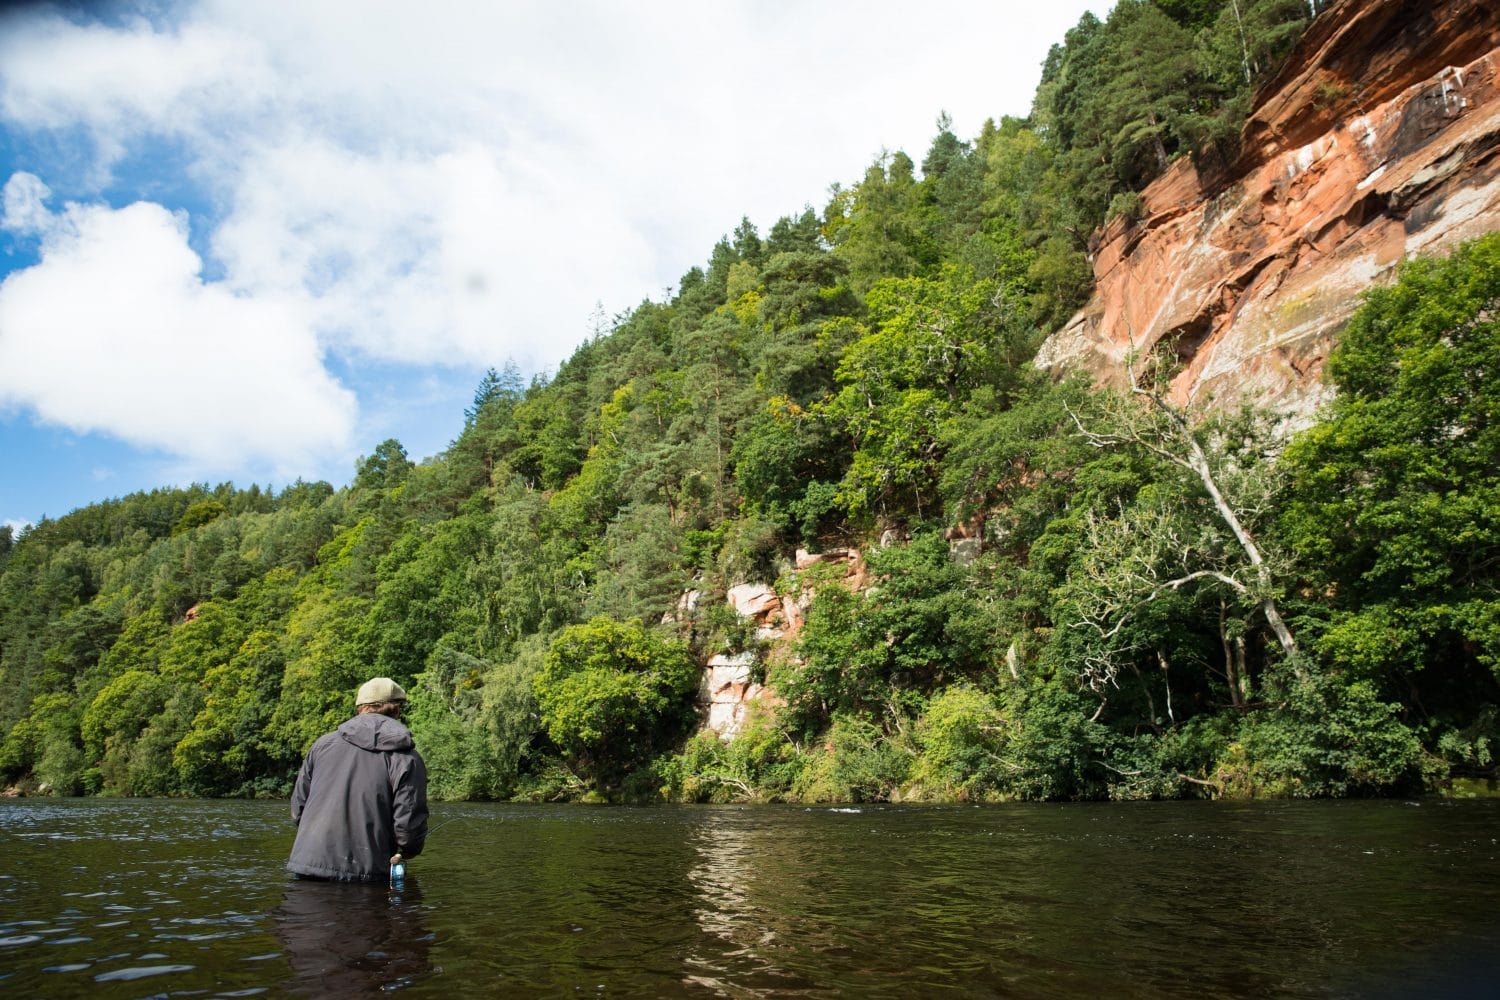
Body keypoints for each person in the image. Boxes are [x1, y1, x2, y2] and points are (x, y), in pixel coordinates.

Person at [287, 676, 429, 882]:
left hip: (307, 866)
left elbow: (298, 808)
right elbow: (409, 822)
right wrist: (407, 851)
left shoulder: (322, 745)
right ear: (397, 709)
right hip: (368, 874)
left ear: (360, 707)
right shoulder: (407, 758)